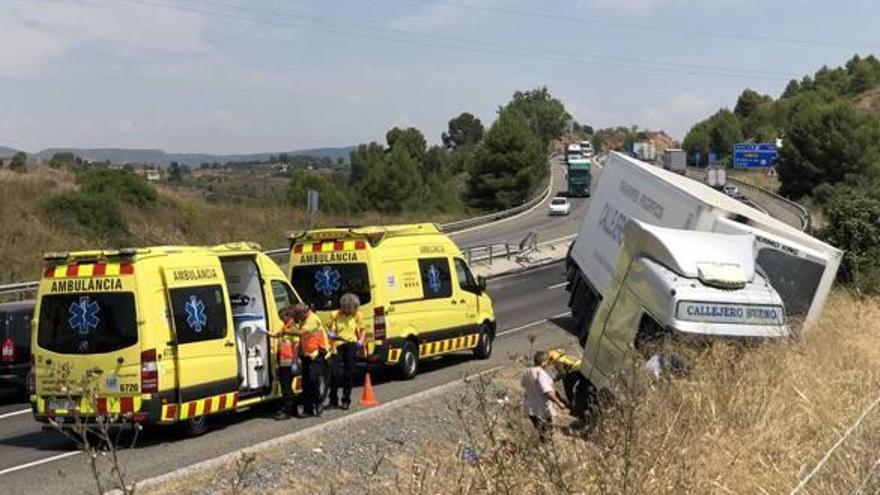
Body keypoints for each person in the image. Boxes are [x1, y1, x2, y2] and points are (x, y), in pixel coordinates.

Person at [327, 293, 366, 410]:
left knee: (349, 373)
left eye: (351, 308)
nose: (349, 311)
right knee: (335, 373)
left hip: (351, 344)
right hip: (338, 344)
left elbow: (362, 329)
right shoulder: (335, 315)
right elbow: (326, 327)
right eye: (346, 308)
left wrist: (361, 340)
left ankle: (346, 399)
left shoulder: (357, 315)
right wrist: (330, 333)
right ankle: (333, 399)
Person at [521, 351, 568, 441]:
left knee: (539, 431)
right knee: (547, 432)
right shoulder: (541, 374)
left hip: (530, 408)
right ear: (543, 362)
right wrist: (559, 403)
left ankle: (541, 447)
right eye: (547, 361)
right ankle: (546, 448)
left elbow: (523, 384)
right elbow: (546, 392)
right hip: (541, 408)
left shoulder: (527, 372)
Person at [293, 303, 331, 417]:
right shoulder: (303, 320)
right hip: (307, 354)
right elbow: (302, 338)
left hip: (317, 354)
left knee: (313, 379)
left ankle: (318, 402)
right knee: (306, 383)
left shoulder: (312, 319)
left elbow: (301, 333)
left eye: (298, 316)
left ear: (303, 313)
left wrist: (286, 331)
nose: (297, 318)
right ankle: (308, 409)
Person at [268, 306, 301, 420]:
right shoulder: (284, 327)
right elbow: (277, 336)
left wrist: (295, 362)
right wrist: (265, 332)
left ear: (288, 316)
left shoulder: (292, 328)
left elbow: (296, 345)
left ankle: (288, 411)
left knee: (286, 387)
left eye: (282, 317)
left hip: (289, 361)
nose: (281, 319)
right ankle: (293, 409)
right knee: (286, 387)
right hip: (283, 361)